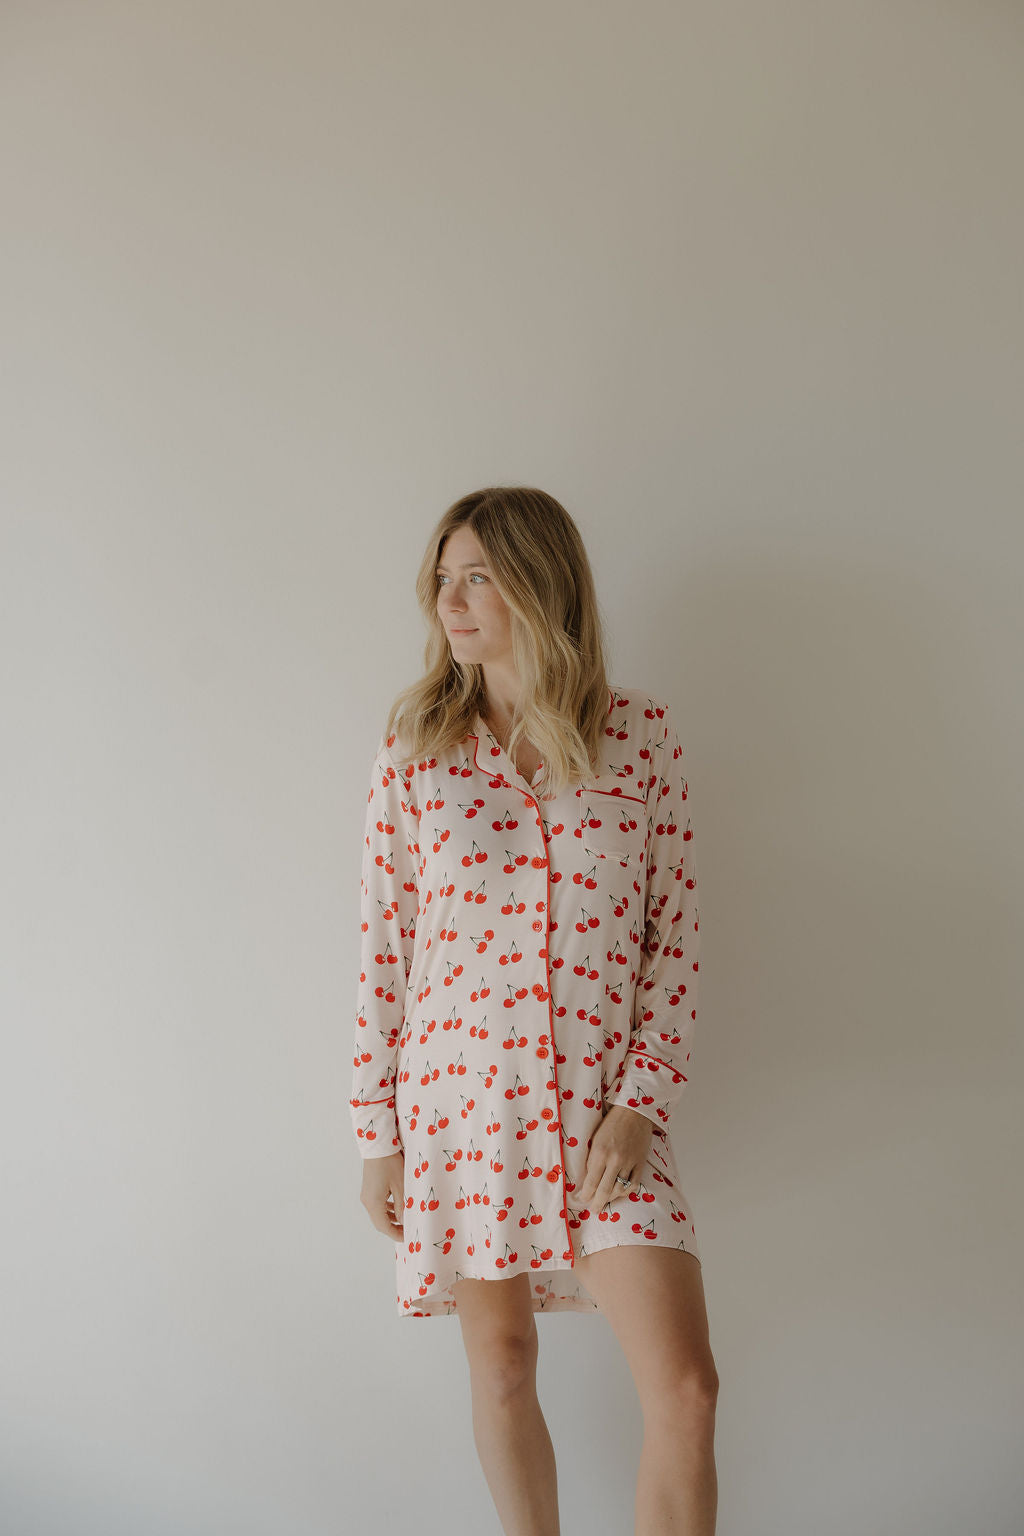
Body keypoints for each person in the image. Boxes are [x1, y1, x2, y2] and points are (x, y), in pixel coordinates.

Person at [351, 486, 719, 1534]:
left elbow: (674, 941)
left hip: (608, 1116)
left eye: (476, 576)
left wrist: (642, 1101)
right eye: (442, 576)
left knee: (686, 1394)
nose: (448, 600)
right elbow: (383, 948)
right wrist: (377, 1134)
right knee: (504, 1366)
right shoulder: (417, 747)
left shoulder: (638, 739)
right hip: (461, 1110)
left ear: (538, 584)